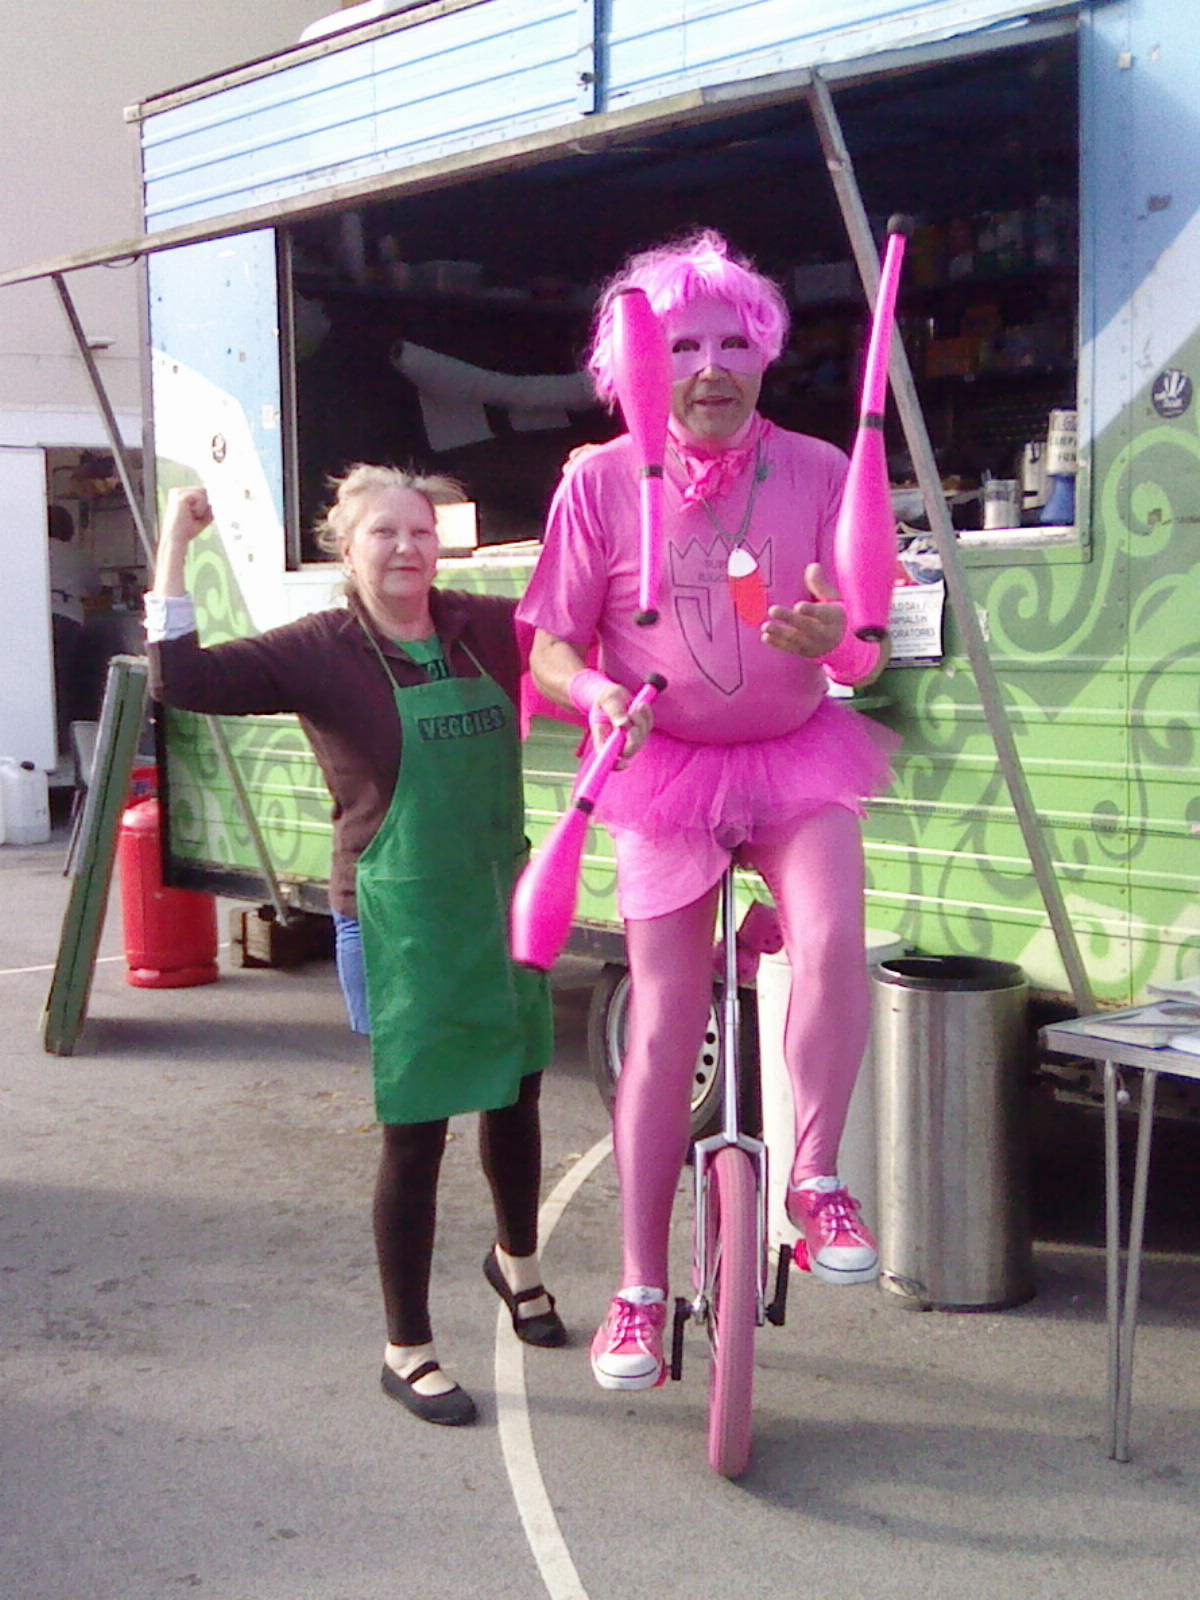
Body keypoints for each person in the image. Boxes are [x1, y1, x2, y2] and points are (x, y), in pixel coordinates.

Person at [519, 231, 898, 1393]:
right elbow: (548, 647)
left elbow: (868, 649)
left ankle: (815, 1179)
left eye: (736, 341)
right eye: (682, 346)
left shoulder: (822, 470)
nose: (712, 365)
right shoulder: (597, 483)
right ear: (638, 367)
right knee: (663, 1024)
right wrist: (593, 693)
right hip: (662, 771)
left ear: (767, 354)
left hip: (795, 758)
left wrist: (839, 643)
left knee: (833, 936)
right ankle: (638, 1288)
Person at [147, 467, 565, 1428]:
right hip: (394, 916)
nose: (407, 548)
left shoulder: (483, 624)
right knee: (418, 1127)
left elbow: (586, 619)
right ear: (347, 547)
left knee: (517, 1091)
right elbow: (181, 679)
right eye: (385, 533)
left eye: (421, 531)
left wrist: (591, 493)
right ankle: (405, 1349)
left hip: (499, 897)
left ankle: (517, 1265)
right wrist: (175, 542)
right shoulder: (318, 650)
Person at [47, 503, 101, 757]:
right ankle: (63, 744)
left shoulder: (32, 549)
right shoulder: (78, 555)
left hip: (39, 617)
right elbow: (95, 588)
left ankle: (42, 740)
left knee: (42, 680)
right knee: (64, 680)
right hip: (68, 618)